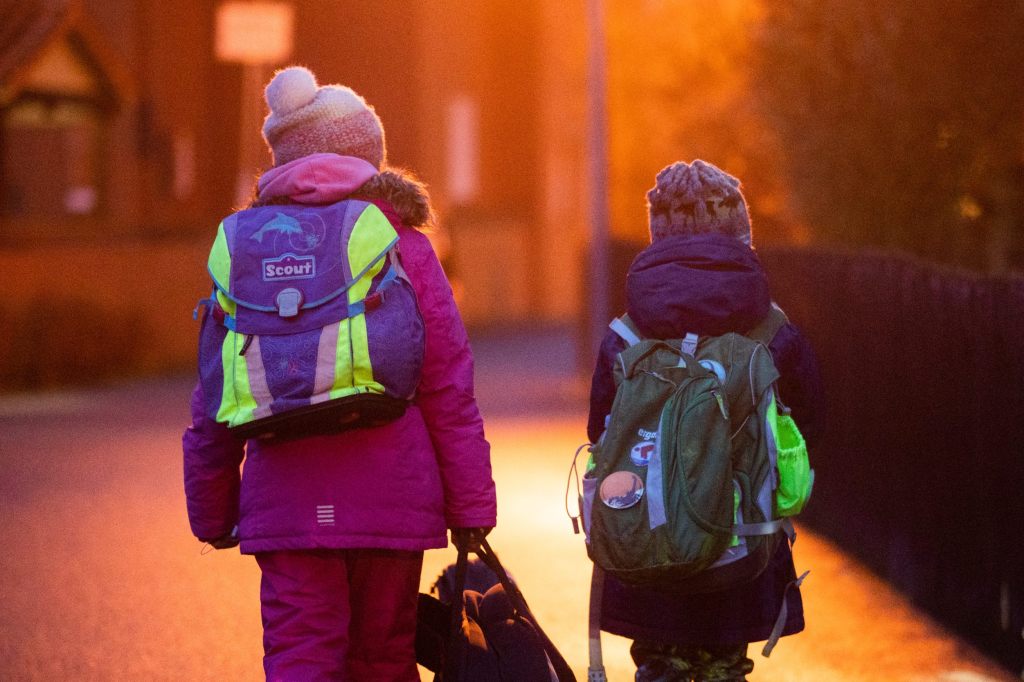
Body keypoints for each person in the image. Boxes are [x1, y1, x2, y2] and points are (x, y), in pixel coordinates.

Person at [182, 66, 497, 681]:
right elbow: (447, 385)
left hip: (288, 504)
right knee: (382, 657)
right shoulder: (402, 242)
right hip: (392, 499)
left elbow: (214, 393)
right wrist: (471, 506)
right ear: (369, 158)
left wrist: (212, 511)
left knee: (300, 656)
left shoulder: (248, 249)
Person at [587, 160, 825, 682]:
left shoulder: (626, 334)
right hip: (740, 551)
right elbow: (806, 423)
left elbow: (598, 430)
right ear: (741, 237)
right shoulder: (772, 330)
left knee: (659, 665)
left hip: (646, 546)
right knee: (724, 669)